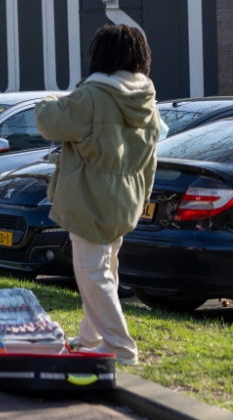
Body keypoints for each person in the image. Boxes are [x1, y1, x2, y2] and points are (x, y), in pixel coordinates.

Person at [34, 24, 159, 367]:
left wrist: (49, 99)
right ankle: (91, 338)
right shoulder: (146, 100)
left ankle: (120, 348)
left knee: (92, 273)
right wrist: (140, 198)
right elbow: (151, 159)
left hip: (89, 199)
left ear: (100, 55)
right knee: (105, 269)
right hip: (125, 201)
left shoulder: (92, 96)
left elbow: (49, 122)